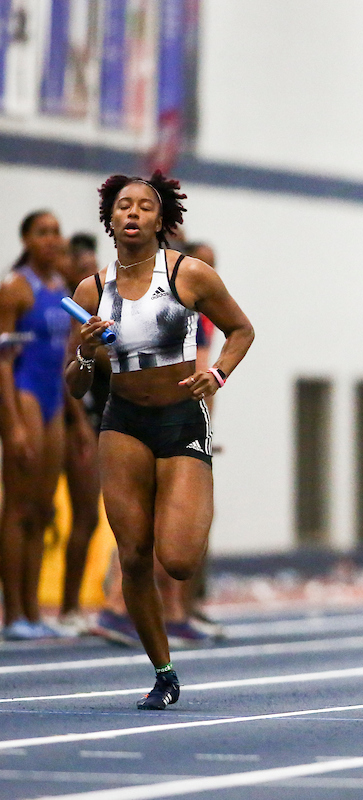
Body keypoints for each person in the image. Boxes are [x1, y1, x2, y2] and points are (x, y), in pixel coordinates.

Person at [65, 172, 254, 709]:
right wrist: (84, 350)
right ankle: (163, 670)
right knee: (134, 555)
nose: (132, 214)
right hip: (121, 421)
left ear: (160, 218)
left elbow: (242, 330)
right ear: (110, 217)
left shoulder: (188, 275)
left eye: (144, 207)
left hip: (180, 420)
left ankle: (197, 496)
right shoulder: (89, 292)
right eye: (123, 206)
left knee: (178, 560)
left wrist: (216, 375)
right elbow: (75, 384)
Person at [0, 210, 71, 640]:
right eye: (42, 232)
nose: (51, 239)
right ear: (26, 238)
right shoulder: (15, 288)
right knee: (18, 507)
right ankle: (13, 613)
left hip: (55, 400)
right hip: (24, 395)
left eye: (55, 231)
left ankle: (33, 607)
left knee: (43, 510)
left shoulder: (62, 289)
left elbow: (67, 359)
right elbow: (2, 363)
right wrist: (13, 426)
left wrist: (79, 425)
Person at [56, 233, 105, 634]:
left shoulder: (99, 308)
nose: (91, 275)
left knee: (89, 518)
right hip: (77, 423)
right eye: (83, 269)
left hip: (99, 421)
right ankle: (68, 606)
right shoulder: (69, 313)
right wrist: (81, 428)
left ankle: (71, 605)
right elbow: (66, 373)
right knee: (83, 515)